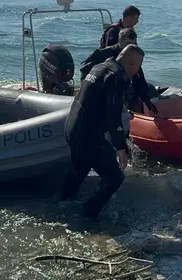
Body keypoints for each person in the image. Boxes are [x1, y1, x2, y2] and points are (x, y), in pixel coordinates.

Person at [61, 44, 145, 218]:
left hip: (72, 128)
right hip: (87, 135)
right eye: (138, 66)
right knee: (115, 177)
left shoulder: (100, 67)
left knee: (79, 171)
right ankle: (89, 214)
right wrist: (120, 147)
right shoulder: (116, 77)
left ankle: (62, 207)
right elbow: (113, 116)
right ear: (131, 63)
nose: (138, 71)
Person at [80, 28, 158, 114]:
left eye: (133, 44)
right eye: (127, 44)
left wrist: (146, 99)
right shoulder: (105, 53)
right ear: (119, 41)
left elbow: (139, 79)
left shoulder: (133, 56)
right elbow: (84, 67)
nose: (130, 47)